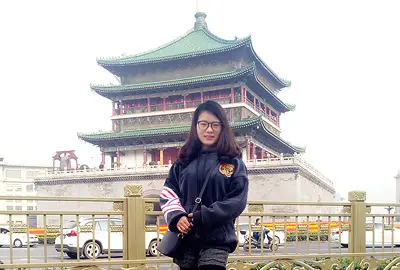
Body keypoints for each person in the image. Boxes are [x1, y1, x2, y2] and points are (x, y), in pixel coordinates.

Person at [160, 100, 249, 270]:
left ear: (223, 128)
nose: (209, 130)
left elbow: (237, 200)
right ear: (196, 126)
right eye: (204, 124)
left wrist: (204, 216)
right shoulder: (183, 161)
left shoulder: (233, 162)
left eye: (215, 125)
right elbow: (169, 192)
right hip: (187, 238)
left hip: (217, 239)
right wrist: (177, 217)